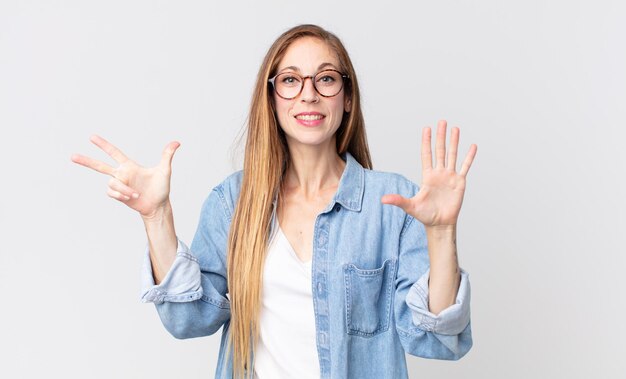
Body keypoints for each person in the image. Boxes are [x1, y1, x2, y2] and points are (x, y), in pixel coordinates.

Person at [72, 24, 477, 379]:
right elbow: (187, 319)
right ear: (272, 97)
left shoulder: (392, 203)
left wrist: (441, 233)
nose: (309, 95)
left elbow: (435, 338)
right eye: (290, 80)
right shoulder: (234, 201)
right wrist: (157, 216)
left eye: (326, 79)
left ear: (347, 97)